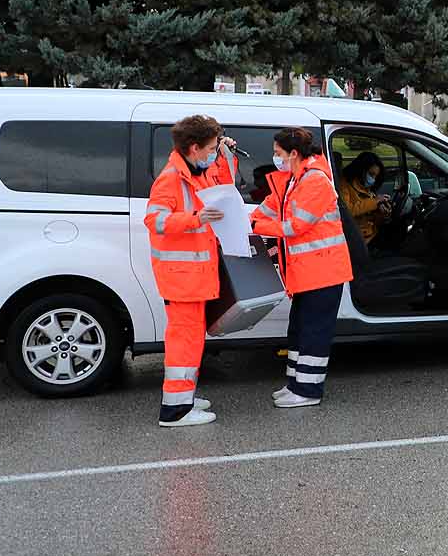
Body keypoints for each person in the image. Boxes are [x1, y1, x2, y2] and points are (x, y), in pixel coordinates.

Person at [144, 115, 238, 428]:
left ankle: (184, 396)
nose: (213, 153)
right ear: (194, 148)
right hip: (182, 278)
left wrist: (225, 156)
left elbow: (221, 184)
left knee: (192, 340)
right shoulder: (172, 178)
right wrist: (195, 218)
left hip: (192, 277)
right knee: (184, 342)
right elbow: (155, 220)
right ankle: (176, 410)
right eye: (211, 148)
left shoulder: (194, 171)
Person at [252, 127, 353, 408]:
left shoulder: (315, 181)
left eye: (278, 153)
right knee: (298, 330)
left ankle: (308, 390)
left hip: (323, 273)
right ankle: (296, 382)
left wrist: (257, 226)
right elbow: (271, 208)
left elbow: (295, 226)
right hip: (308, 273)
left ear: (294, 153)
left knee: (314, 332)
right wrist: (247, 220)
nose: (275, 158)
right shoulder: (296, 179)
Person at [339, 152, 394, 247]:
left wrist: (383, 212)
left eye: (376, 176)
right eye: (371, 174)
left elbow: (369, 214)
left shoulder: (365, 187)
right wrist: (375, 201)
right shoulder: (344, 184)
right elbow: (347, 211)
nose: (373, 179)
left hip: (370, 232)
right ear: (361, 170)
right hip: (359, 237)